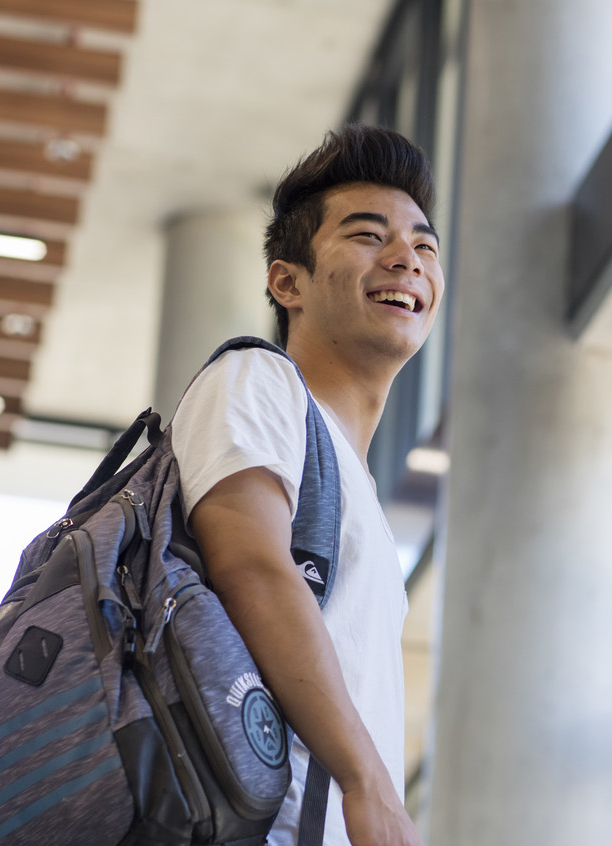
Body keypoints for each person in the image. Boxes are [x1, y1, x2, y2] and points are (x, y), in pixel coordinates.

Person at [171, 125, 441, 846]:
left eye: (424, 246)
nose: (405, 260)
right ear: (287, 281)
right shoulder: (258, 381)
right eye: (367, 236)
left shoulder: (358, 493)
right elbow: (250, 564)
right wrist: (369, 784)